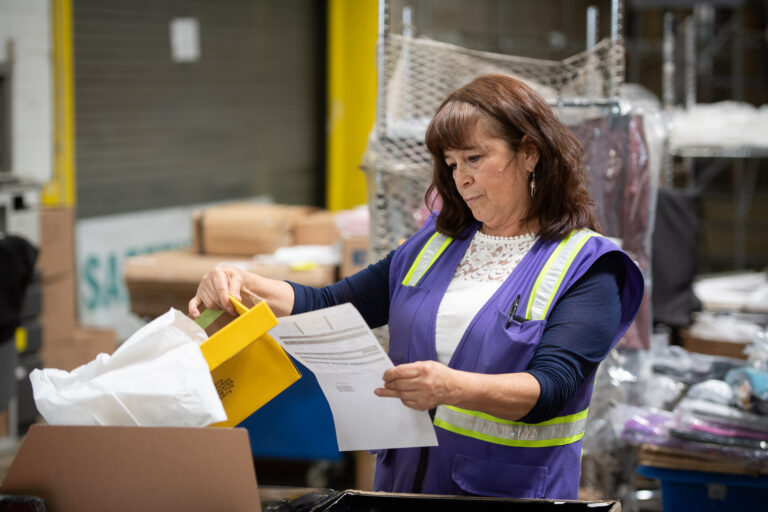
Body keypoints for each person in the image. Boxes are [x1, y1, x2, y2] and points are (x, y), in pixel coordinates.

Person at [189, 74, 644, 500]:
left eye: (474, 158)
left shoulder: (588, 267)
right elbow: (331, 303)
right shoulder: (436, 245)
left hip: (508, 494)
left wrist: (450, 387)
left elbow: (552, 389)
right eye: (450, 163)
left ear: (529, 153)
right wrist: (243, 285)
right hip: (405, 488)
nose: (460, 178)